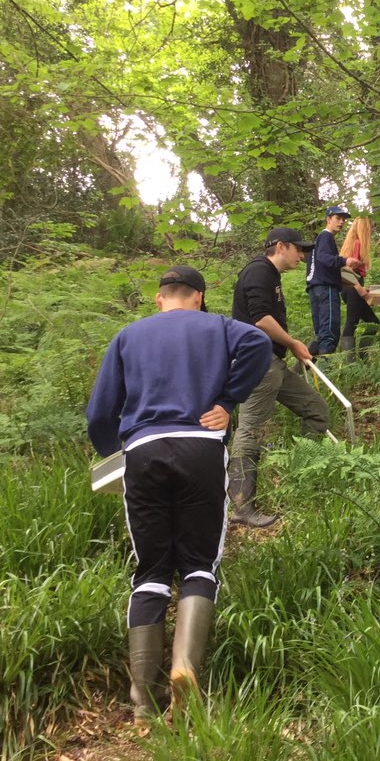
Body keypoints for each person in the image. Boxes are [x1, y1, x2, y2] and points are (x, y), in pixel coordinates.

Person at [86, 265, 273, 727]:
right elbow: (259, 344)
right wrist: (227, 402)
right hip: (201, 447)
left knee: (150, 570)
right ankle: (185, 667)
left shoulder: (128, 336)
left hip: (143, 452)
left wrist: (116, 458)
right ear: (199, 297)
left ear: (159, 299)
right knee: (198, 564)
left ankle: (143, 704)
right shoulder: (217, 326)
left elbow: (97, 414)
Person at [229, 227, 332, 528]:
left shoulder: (269, 275)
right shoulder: (259, 271)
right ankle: (242, 507)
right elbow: (261, 319)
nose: (302, 255)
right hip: (257, 363)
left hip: (273, 363)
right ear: (281, 246)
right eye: (298, 249)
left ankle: (296, 469)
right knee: (248, 431)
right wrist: (293, 343)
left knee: (317, 411)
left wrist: (288, 348)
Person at [305, 205, 365, 355]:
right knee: (329, 334)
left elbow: (321, 263)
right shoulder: (325, 236)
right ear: (328, 219)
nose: (341, 222)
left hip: (315, 289)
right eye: (338, 218)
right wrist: (346, 261)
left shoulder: (319, 240)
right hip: (326, 290)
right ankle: (325, 371)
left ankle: (307, 368)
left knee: (321, 334)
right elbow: (324, 258)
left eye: (343, 220)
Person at [339, 216, 379, 361]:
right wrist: (359, 289)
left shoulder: (354, 244)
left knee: (372, 322)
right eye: (371, 228)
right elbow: (345, 269)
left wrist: (362, 287)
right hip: (351, 286)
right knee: (352, 322)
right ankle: (351, 363)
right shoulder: (356, 244)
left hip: (352, 285)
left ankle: (362, 355)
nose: (373, 231)